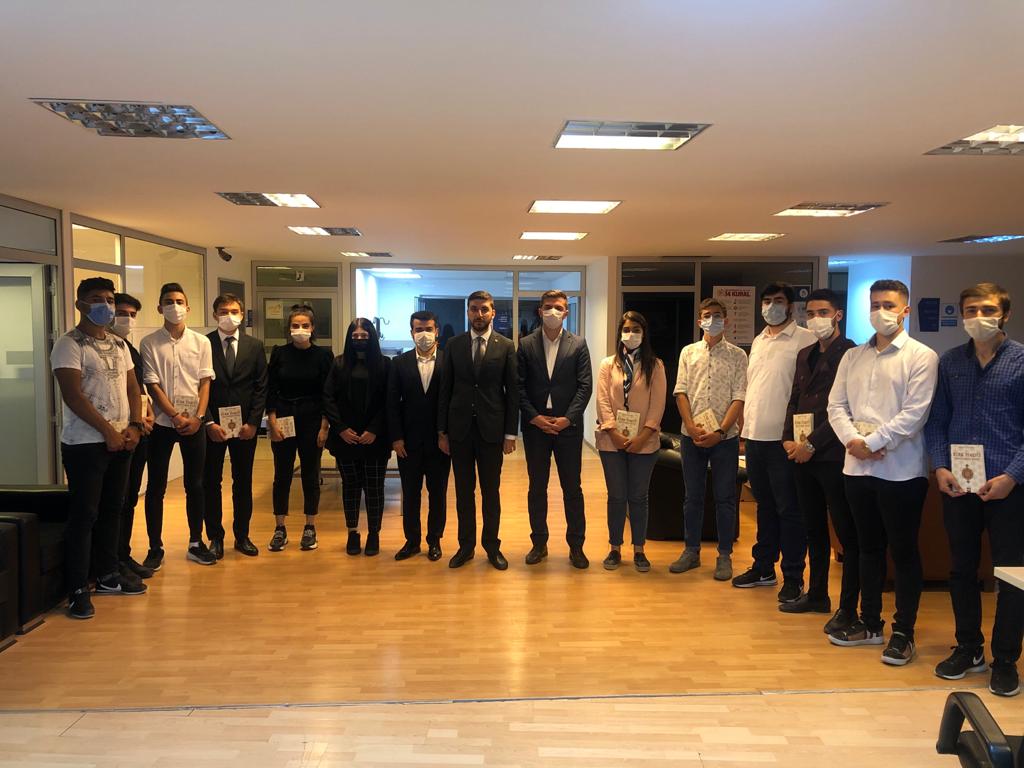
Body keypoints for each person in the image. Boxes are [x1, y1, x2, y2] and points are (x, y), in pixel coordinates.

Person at [827, 279, 938, 666]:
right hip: (856, 469)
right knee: (866, 549)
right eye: (875, 305)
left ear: (905, 310)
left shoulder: (922, 357)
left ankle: (903, 633)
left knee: (903, 552)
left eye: (888, 305)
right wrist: (853, 441)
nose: (880, 312)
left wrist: (873, 442)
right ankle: (870, 623)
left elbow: (915, 413)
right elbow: (835, 405)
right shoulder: (853, 357)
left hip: (901, 472)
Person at [925, 282, 1024, 697]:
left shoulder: (1021, 362)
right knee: (961, 570)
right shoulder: (950, 362)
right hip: (959, 487)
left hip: (1009, 487)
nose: (977, 317)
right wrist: (939, 465)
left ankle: (1005, 659)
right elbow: (937, 421)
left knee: (1011, 574)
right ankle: (969, 647)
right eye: (970, 310)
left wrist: (1012, 476)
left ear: (1005, 314)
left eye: (986, 309)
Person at [52, 277, 145, 619]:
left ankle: (107, 574)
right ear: (80, 304)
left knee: (112, 510)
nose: (105, 305)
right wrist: (107, 431)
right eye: (96, 299)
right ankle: (77, 588)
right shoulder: (69, 344)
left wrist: (135, 425)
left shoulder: (119, 344)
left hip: (122, 441)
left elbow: (133, 387)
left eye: (109, 299)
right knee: (85, 515)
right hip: (85, 444)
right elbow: (73, 395)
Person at [733, 282, 817, 601]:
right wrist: (744, 429)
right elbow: (755, 387)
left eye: (778, 301)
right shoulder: (759, 340)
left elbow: (808, 393)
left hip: (784, 441)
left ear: (791, 307)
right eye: (766, 301)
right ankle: (764, 567)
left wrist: (801, 438)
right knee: (764, 506)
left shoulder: (805, 340)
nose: (771, 307)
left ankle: (793, 575)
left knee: (789, 509)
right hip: (755, 437)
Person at [780, 289, 858, 630]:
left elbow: (843, 409)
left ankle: (848, 607)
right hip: (800, 453)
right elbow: (795, 398)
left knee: (844, 530)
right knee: (812, 527)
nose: (816, 319)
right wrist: (788, 438)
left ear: (838, 315)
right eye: (810, 313)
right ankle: (816, 594)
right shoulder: (805, 354)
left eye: (823, 312)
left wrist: (811, 444)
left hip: (832, 454)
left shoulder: (851, 354)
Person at [437, 290, 519, 570]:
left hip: (492, 431)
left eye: (484, 309)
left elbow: (512, 392)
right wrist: (442, 431)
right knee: (463, 493)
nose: (479, 314)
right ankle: (466, 546)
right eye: (474, 309)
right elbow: (445, 389)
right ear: (468, 312)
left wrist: (510, 434)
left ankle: (492, 546)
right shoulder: (454, 344)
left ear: (493, 312)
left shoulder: (505, 346)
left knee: (490, 492)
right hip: (459, 431)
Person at [669, 298, 746, 581]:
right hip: (692, 437)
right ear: (699, 321)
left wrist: (720, 432)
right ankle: (691, 551)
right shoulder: (688, 353)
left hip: (725, 439)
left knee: (725, 498)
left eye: (716, 315)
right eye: (706, 315)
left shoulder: (738, 355)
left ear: (726, 321)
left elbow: (739, 397)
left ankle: (724, 555)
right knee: (693, 497)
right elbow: (681, 392)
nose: (711, 320)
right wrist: (690, 427)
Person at [140, 282, 217, 568]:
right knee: (156, 486)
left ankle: (196, 542)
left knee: (195, 484)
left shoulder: (201, 342)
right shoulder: (149, 342)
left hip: (194, 423)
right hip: (162, 423)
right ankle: (155, 547)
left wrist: (198, 417)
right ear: (160, 307)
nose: (175, 306)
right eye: (169, 302)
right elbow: (152, 383)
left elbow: (205, 382)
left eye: (179, 301)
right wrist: (173, 415)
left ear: (188, 307)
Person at [517, 290, 593, 569]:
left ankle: (576, 546)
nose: (553, 312)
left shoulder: (578, 344)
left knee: (572, 488)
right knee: (537, 488)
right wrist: (535, 417)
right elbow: (518, 386)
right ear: (540, 311)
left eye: (558, 307)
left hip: (567, 428)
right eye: (548, 307)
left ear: (566, 311)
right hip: (536, 427)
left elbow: (585, 386)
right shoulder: (525, 344)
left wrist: (567, 419)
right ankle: (539, 543)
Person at [595, 311, 666, 573]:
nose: (631, 334)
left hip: (644, 443)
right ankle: (614, 548)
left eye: (636, 329)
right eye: (626, 329)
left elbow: (658, 404)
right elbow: (602, 400)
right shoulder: (607, 365)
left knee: (638, 497)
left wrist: (643, 436)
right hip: (611, 441)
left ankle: (639, 549)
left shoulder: (655, 366)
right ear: (620, 334)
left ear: (644, 334)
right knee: (616, 496)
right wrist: (613, 432)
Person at [202, 293, 267, 559]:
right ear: (214, 314)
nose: (229, 316)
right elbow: (197, 386)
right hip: (213, 426)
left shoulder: (254, 346)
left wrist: (253, 423)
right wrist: (208, 421)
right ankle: (215, 537)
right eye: (223, 311)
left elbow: (261, 386)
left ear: (242, 314)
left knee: (243, 482)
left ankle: (242, 536)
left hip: (244, 428)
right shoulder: (203, 344)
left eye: (234, 311)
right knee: (210, 482)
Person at [266, 305, 333, 552]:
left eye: (305, 325)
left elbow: (328, 393)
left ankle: (310, 526)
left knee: (310, 474)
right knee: (281, 474)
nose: (300, 330)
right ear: (289, 328)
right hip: (284, 417)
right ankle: (280, 528)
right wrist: (272, 422)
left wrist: (324, 427)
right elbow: (271, 388)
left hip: (312, 419)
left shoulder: (323, 355)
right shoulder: (279, 353)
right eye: (295, 325)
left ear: (313, 328)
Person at [324, 318, 392, 556]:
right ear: (349, 338)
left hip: (376, 439)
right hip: (346, 438)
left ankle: (374, 533)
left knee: (375, 488)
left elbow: (389, 401)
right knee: (350, 486)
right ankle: (352, 532)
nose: (360, 340)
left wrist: (374, 429)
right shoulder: (338, 363)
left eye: (364, 336)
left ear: (372, 337)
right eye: (355, 337)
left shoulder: (385, 364)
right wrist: (340, 428)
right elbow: (328, 398)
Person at [387, 311, 451, 562]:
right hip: (408, 442)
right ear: (411, 332)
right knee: (410, 493)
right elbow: (392, 403)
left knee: (438, 494)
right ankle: (412, 541)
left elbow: (452, 401)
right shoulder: (399, 363)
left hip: (440, 441)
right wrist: (396, 437)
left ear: (437, 331)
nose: (424, 334)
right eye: (418, 330)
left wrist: (447, 434)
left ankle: (435, 540)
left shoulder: (448, 360)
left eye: (428, 329)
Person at [111, 293, 156, 579]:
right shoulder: (104, 347)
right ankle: (110, 562)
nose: (126, 319)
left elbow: (138, 389)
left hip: (138, 432)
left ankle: (123, 555)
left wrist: (146, 414)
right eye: (121, 312)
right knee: (115, 501)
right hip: (117, 435)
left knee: (129, 499)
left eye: (131, 314)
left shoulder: (129, 348)